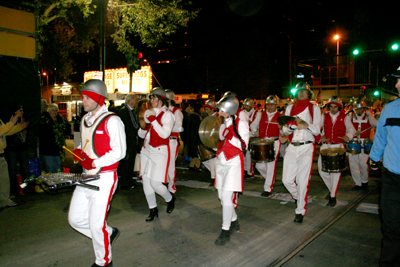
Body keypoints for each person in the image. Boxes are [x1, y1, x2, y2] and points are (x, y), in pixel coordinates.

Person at [68, 79, 126, 267]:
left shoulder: (113, 120)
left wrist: (95, 161)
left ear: (98, 98)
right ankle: (107, 233)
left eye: (87, 97)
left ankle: (104, 262)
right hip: (86, 176)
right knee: (75, 219)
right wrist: (77, 152)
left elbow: (120, 152)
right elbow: (81, 141)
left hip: (105, 178)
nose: (83, 101)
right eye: (82, 97)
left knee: (95, 224)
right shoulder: (84, 120)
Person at [369, 66, 400, 266]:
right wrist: (373, 160)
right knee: (391, 229)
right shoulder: (390, 109)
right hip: (392, 179)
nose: (396, 85)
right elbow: (380, 137)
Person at [280, 82, 321, 223]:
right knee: (286, 180)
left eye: (304, 91)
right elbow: (284, 130)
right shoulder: (290, 108)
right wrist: (291, 128)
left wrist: (305, 125)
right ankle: (299, 197)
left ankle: (300, 210)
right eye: (299, 91)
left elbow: (317, 130)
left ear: (309, 93)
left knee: (302, 181)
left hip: (306, 147)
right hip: (292, 147)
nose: (301, 93)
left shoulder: (314, 108)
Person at [214, 95, 249, 245]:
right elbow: (218, 144)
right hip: (221, 162)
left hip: (233, 163)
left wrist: (230, 135)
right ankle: (234, 220)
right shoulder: (220, 123)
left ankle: (225, 230)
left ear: (229, 110)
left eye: (222, 110)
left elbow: (243, 145)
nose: (219, 112)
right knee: (222, 197)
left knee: (227, 197)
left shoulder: (241, 123)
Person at [138, 87, 175, 222]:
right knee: (146, 182)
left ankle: (170, 199)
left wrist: (153, 120)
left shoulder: (168, 115)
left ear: (161, 99)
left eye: (155, 98)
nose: (152, 100)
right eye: (151, 98)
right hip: (147, 150)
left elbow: (165, 134)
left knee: (155, 183)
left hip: (159, 151)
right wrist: (143, 127)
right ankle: (152, 209)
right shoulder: (150, 113)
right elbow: (141, 134)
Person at [318, 96, 355, 207]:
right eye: (331, 107)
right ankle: (332, 190)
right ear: (328, 107)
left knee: (336, 173)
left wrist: (348, 136)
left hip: (338, 146)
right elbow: (316, 128)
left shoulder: (345, 117)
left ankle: (333, 196)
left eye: (335, 107)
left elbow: (352, 129)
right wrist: (320, 137)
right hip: (326, 146)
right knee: (321, 170)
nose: (333, 109)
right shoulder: (324, 116)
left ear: (339, 107)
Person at [250, 95, 281, 197]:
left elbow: (283, 131)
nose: (270, 107)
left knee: (271, 165)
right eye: (268, 105)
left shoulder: (280, 116)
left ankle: (268, 188)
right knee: (259, 165)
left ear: (276, 105)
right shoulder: (260, 114)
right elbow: (252, 126)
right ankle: (270, 178)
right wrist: (255, 132)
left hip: (274, 142)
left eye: (272, 105)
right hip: (262, 142)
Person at [0, 110, 27, 211]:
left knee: (4, 180)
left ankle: (4, 200)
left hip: (1, 154)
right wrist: (11, 123)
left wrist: (20, 127)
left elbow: (6, 132)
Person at [348, 99, 377, 191]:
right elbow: (345, 127)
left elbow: (377, 125)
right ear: (354, 109)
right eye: (357, 109)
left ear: (363, 108)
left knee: (362, 163)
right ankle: (358, 183)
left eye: (361, 109)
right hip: (354, 142)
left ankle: (364, 181)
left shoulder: (369, 116)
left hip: (365, 142)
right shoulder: (350, 116)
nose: (359, 111)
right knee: (353, 164)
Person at [5, 103, 30, 201]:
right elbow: (8, 133)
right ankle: (14, 191)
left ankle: (25, 188)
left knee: (25, 169)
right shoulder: (11, 120)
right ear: (15, 112)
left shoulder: (24, 119)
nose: (22, 112)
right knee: (12, 170)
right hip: (12, 148)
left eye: (23, 111)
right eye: (20, 111)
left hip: (22, 148)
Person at [39, 103, 70, 173]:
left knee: (58, 168)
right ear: (49, 111)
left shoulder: (61, 120)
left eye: (56, 110)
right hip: (47, 150)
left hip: (58, 150)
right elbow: (41, 133)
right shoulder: (44, 120)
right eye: (52, 110)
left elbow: (67, 131)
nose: (54, 112)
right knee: (50, 169)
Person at [117, 93, 139, 191]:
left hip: (132, 141)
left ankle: (129, 180)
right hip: (126, 141)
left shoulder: (132, 111)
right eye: (135, 99)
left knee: (131, 162)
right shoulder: (124, 111)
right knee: (126, 163)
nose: (136, 101)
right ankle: (125, 183)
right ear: (131, 100)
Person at [165, 89, 183, 194]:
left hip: (171, 141)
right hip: (162, 141)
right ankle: (165, 182)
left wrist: (165, 128)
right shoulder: (161, 110)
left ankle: (171, 186)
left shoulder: (176, 111)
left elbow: (179, 127)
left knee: (171, 164)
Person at [201, 99, 218, 185]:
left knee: (213, 160)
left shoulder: (217, 117)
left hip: (216, 141)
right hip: (209, 140)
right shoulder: (208, 118)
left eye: (207, 109)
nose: (206, 111)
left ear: (212, 109)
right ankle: (215, 176)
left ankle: (214, 178)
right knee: (207, 160)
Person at [242, 98, 258, 179]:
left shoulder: (257, 113)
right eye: (245, 105)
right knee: (243, 153)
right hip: (244, 135)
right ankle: (245, 169)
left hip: (252, 135)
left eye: (248, 105)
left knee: (249, 154)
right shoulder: (243, 112)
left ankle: (250, 171)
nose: (246, 106)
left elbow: (254, 125)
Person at [186, 101, 203, 171]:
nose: (202, 110)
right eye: (201, 109)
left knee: (194, 154)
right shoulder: (196, 117)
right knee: (198, 153)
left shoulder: (191, 116)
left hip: (191, 138)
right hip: (196, 138)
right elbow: (198, 128)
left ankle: (192, 166)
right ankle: (196, 166)